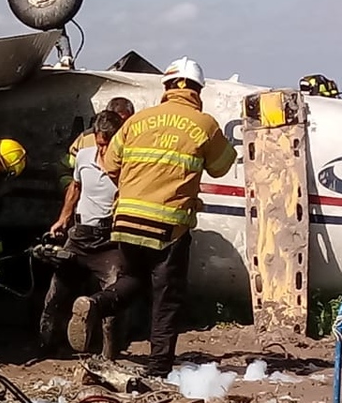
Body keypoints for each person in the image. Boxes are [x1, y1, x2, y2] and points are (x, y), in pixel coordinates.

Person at [67, 58, 237, 376]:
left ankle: (97, 303)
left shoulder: (135, 121)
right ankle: (159, 367)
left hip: (126, 220)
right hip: (168, 227)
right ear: (197, 90)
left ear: (167, 87)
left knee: (133, 279)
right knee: (166, 295)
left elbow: (110, 165)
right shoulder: (204, 124)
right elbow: (222, 166)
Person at [39, 108, 127, 356]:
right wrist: (63, 219)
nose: (103, 151)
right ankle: (47, 346)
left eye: (108, 145)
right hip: (80, 235)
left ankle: (109, 354)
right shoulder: (84, 157)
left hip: (110, 239)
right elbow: (75, 188)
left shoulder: (129, 165)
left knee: (114, 294)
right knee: (55, 294)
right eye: (100, 144)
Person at [59, 96, 135, 191]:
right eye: (113, 120)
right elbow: (65, 167)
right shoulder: (86, 139)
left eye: (124, 121)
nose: (119, 126)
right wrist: (70, 188)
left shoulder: (136, 141)